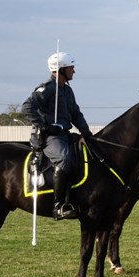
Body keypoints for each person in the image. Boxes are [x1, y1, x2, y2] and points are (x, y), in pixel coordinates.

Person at [22, 51, 93, 220]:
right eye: (71, 68)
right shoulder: (47, 88)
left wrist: (86, 132)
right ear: (60, 69)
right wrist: (45, 126)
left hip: (65, 133)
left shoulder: (67, 91)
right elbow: (27, 107)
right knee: (64, 159)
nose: (74, 71)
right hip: (49, 136)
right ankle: (58, 206)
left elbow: (75, 113)